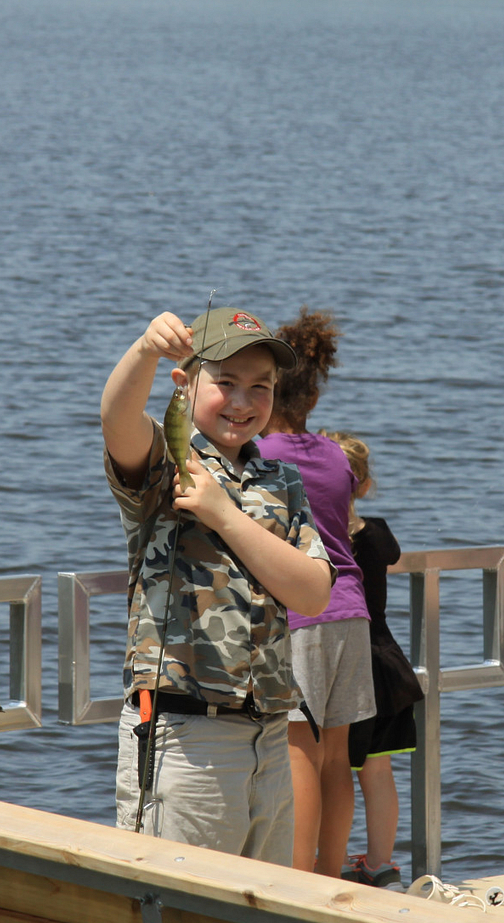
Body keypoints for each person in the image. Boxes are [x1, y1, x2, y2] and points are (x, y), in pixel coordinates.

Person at [101, 306, 333, 864]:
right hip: (183, 737)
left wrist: (225, 515)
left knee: (261, 915)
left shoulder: (283, 481)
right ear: (185, 383)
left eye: (261, 387)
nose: (242, 401)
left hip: (270, 737)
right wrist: (145, 352)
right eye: (224, 383)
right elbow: (116, 420)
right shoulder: (167, 463)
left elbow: (314, 592)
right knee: (177, 917)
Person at [255, 310, 376, 877]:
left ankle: (298, 876)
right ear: (314, 399)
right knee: (336, 757)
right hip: (351, 611)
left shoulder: (261, 459)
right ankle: (330, 874)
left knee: (297, 748)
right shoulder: (335, 458)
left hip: (299, 614)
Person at [327, 430, 423, 888]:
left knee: (332, 765)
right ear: (363, 486)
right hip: (384, 665)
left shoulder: (318, 538)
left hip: (341, 663)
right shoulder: (378, 535)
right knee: (378, 770)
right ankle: (381, 863)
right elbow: (392, 552)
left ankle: (335, 856)